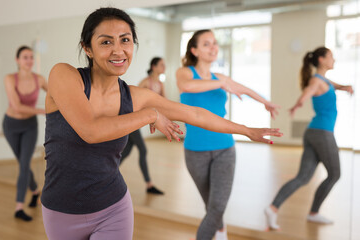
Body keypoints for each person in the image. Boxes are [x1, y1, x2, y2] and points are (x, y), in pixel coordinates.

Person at [41, 8, 282, 240]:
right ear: (88, 48)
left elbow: (194, 114)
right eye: (106, 42)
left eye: (125, 40)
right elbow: (90, 131)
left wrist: (247, 130)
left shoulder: (135, 96)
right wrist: (150, 115)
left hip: (113, 207)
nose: (118, 50)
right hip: (61, 211)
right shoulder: (64, 75)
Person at [176, 29, 280, 240]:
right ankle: (221, 232)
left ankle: (217, 233)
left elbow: (245, 89)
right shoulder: (185, 72)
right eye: (206, 44)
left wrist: (265, 102)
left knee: (216, 207)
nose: (213, 47)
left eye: (214, 43)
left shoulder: (220, 77)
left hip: (225, 149)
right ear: (194, 50)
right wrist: (222, 83)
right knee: (212, 206)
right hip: (195, 152)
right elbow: (186, 86)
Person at [265, 47, 353, 230]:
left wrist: (345, 87)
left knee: (303, 177)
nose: (334, 59)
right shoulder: (316, 81)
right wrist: (298, 105)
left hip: (313, 132)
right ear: (321, 60)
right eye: (331, 57)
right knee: (335, 174)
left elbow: (332, 85)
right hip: (322, 133)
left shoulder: (324, 80)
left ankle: (273, 208)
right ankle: (313, 212)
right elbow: (309, 91)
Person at [3, 45, 48, 221]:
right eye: (25, 57)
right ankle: (35, 191)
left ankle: (19, 207)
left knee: (23, 164)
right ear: (17, 60)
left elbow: (55, 94)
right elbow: (17, 107)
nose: (29, 60)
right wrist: (44, 111)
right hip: (11, 125)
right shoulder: (10, 79)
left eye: (31, 57)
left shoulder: (40, 79)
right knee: (23, 163)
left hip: (30, 126)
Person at [120, 57, 166, 195]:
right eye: (161, 65)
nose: (164, 67)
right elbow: (131, 101)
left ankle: (104, 175)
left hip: (141, 120)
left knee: (127, 151)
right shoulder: (146, 82)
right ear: (154, 66)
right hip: (132, 118)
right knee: (143, 149)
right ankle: (149, 184)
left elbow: (164, 103)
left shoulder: (160, 84)